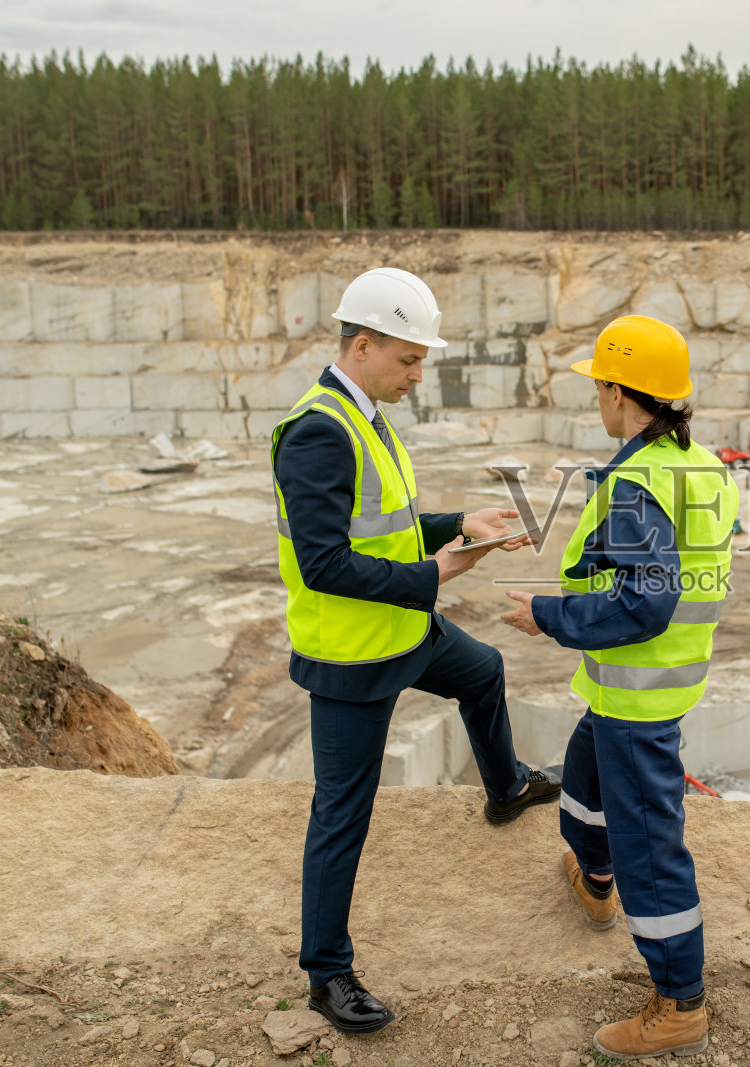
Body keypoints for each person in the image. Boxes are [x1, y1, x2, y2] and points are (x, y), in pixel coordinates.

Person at [271, 267, 562, 1035]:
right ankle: (327, 975)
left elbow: (387, 522)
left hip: (401, 629)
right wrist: (434, 573)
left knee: (484, 672)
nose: (418, 372)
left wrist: (458, 519)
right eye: (408, 358)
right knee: (343, 813)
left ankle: (505, 786)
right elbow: (323, 563)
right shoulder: (317, 432)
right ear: (362, 345)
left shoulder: (363, 415)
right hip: (351, 655)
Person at [499, 314, 738, 1060]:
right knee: (583, 782)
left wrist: (548, 614)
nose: (597, 399)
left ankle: (679, 1003)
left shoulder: (639, 483)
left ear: (616, 390)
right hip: (636, 690)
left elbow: (644, 602)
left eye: (599, 386)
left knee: (651, 846)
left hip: (639, 697)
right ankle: (594, 875)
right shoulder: (694, 463)